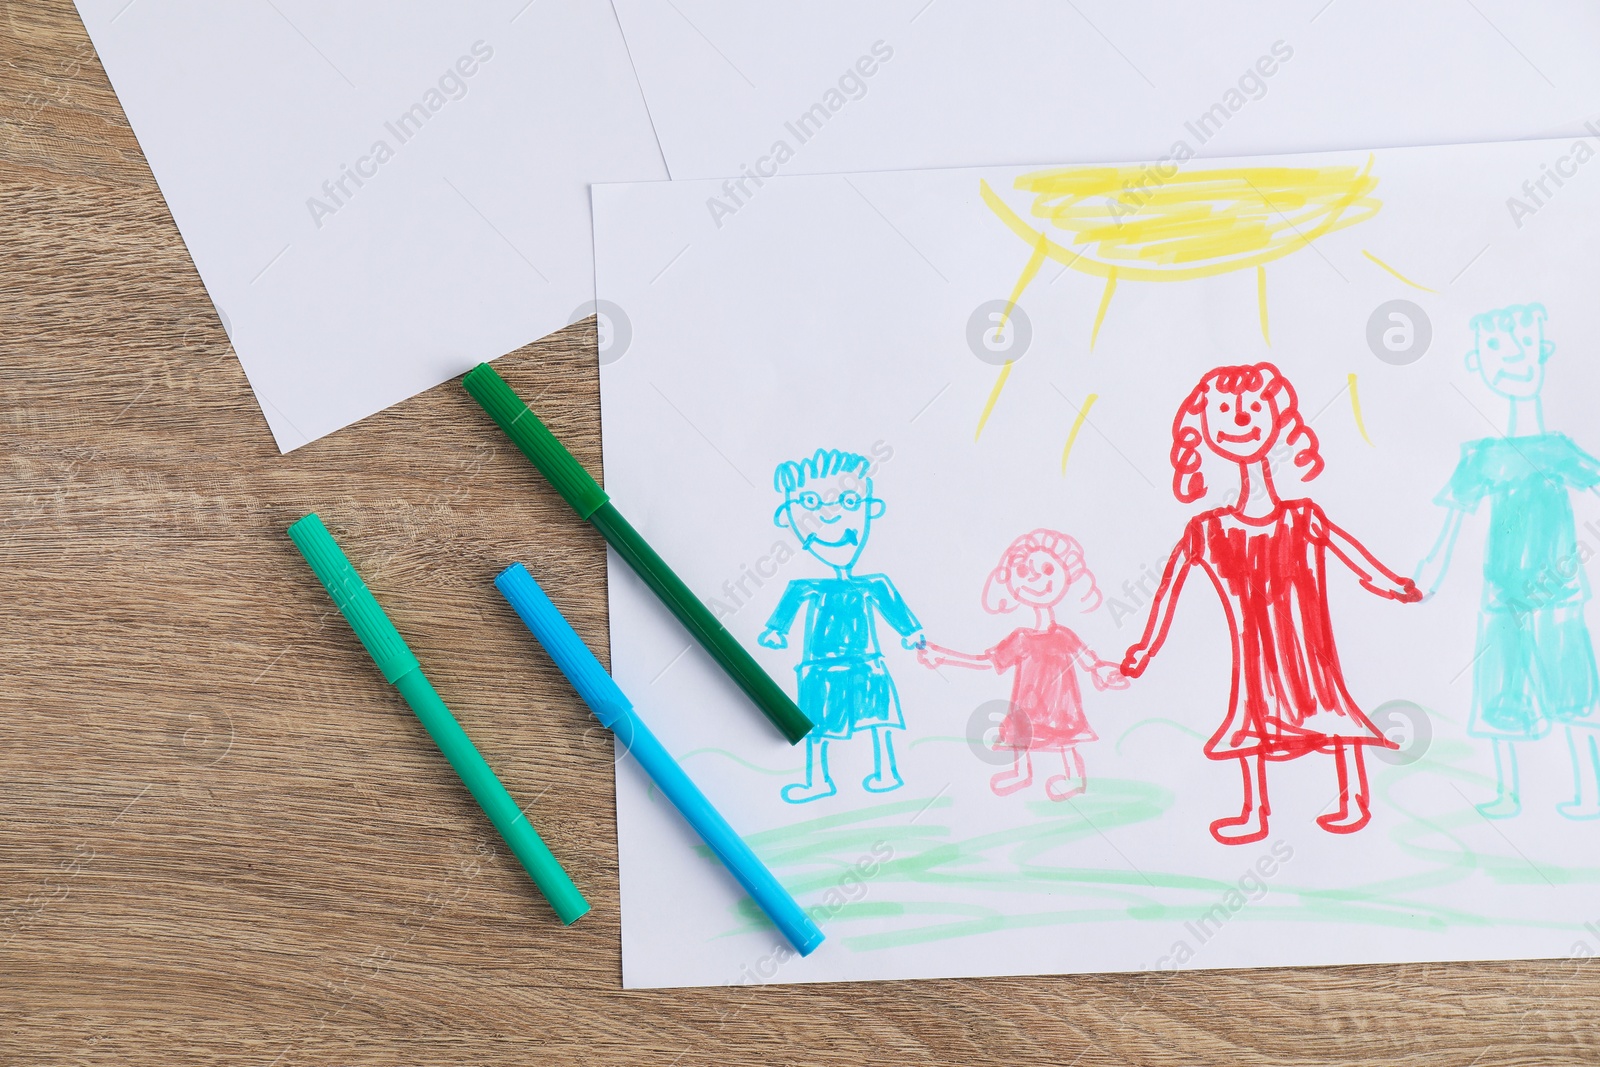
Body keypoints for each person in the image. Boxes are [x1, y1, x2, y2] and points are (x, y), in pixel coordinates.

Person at [1121, 362, 1421, 844]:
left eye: (1252, 408)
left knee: (1331, 707)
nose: (1239, 419)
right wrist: (1145, 647)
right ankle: (1256, 810)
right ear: (1202, 428)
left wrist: (1393, 584)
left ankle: (1352, 799)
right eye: (1224, 410)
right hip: (1256, 656)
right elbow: (1169, 589)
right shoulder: (1207, 530)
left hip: (1309, 650)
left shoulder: (1304, 518)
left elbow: (1356, 559)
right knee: (1251, 715)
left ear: (1277, 419)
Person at [1414, 303, 1600, 820]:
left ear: (1543, 352)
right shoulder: (1482, 456)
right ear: (1477, 363)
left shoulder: (1558, 448)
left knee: (1574, 692)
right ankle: (1508, 794)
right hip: (1501, 597)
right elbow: (1453, 522)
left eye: (1522, 344)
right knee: (1500, 691)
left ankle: (1591, 793)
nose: (1513, 356)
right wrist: (1429, 571)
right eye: (1497, 348)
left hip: (1559, 593)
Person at [760, 448, 925, 804]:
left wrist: (911, 631)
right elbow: (786, 610)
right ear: (787, 516)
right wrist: (777, 630)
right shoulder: (806, 586)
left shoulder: (872, 584)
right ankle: (818, 781)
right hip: (819, 668)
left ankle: (886, 771)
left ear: (871, 510)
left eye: (850, 502)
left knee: (877, 719)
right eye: (808, 504)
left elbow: (892, 607)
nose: (831, 519)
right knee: (816, 726)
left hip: (867, 662)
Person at [919, 529, 1127, 801]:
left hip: (1059, 705)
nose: (1035, 578)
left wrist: (1105, 672)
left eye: (1047, 570)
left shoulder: (1064, 636)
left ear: (1069, 578)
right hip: (1028, 706)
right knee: (1020, 735)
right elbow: (986, 662)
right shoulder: (1020, 639)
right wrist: (944, 656)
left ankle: (1074, 778)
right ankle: (1021, 773)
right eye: (1023, 569)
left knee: (1065, 741)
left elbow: (1090, 662)